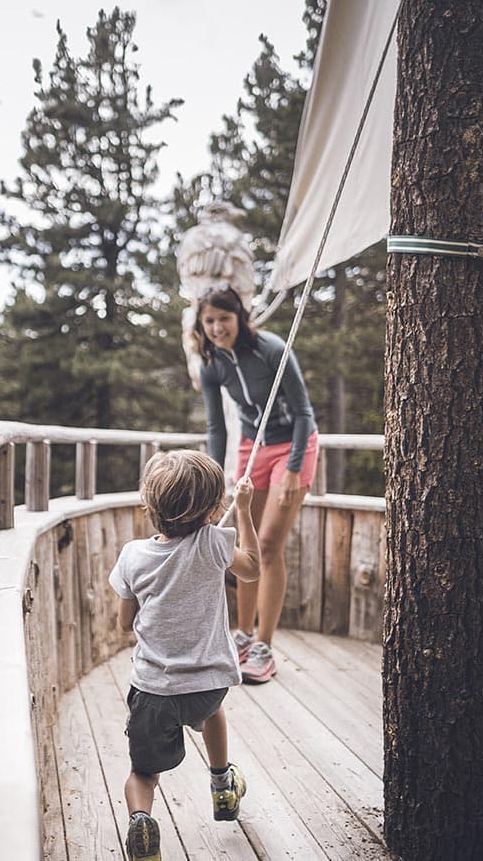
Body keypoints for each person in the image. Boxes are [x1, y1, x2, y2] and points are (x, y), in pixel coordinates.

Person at [109, 450, 260, 861]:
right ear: (213, 510)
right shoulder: (212, 544)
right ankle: (222, 785)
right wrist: (244, 511)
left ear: (150, 506)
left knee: (143, 774)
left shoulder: (132, 556)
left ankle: (141, 823)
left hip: (153, 690)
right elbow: (251, 570)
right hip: (208, 686)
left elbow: (125, 623)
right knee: (212, 713)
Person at [195, 283, 319, 684]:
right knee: (242, 544)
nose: (217, 328)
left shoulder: (272, 350)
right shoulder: (211, 364)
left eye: (224, 319)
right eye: (209, 320)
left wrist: (295, 470)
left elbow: (304, 414)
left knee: (267, 546)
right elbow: (217, 428)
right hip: (252, 447)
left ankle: (264, 645)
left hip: (293, 446)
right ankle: (242, 635)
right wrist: (214, 480)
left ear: (240, 317)